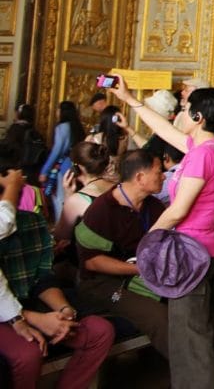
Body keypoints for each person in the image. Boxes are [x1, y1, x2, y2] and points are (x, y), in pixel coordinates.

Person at [111, 78, 214, 389]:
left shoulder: (204, 154)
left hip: (192, 253)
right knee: (192, 331)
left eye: (186, 109)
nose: (182, 113)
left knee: (188, 337)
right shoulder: (210, 146)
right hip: (202, 249)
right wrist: (129, 99)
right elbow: (165, 131)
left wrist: (147, 242)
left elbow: (178, 210)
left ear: (198, 118)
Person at [0, 165, 114, 389]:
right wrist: (31, 319)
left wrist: (64, 311)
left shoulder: (32, 223)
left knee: (100, 331)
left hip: (22, 305)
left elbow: (41, 277)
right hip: (9, 314)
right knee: (28, 354)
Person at [73, 148, 171, 358]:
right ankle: (188, 377)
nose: (164, 175)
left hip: (141, 275)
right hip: (103, 283)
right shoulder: (103, 210)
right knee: (159, 317)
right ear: (140, 177)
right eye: (158, 171)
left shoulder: (153, 206)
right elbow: (92, 262)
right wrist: (140, 269)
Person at [40, 101, 83, 219]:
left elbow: (57, 151)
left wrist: (44, 170)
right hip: (76, 165)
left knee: (60, 198)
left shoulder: (62, 127)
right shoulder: (78, 127)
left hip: (63, 166)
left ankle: (61, 227)